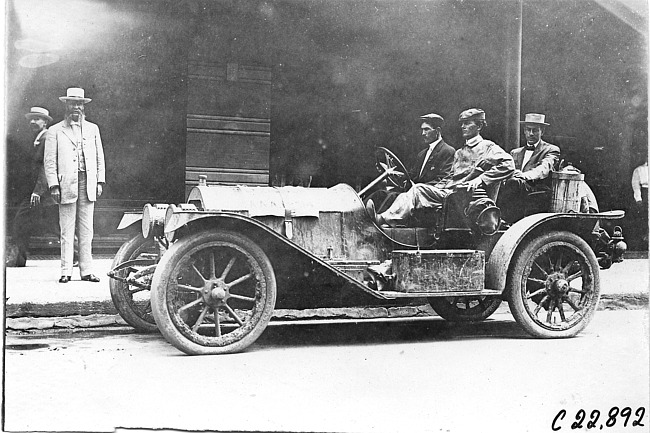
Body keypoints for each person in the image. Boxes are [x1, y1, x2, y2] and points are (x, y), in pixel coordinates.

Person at [370, 108, 514, 227]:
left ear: (479, 126)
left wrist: (481, 180)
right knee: (411, 192)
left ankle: (382, 220)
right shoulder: (459, 152)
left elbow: (509, 164)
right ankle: (390, 223)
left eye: (467, 123)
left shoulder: (487, 147)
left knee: (418, 190)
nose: (463, 126)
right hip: (450, 194)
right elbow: (450, 177)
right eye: (462, 123)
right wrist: (437, 187)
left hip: (464, 198)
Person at [44, 87, 106, 283]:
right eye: (72, 103)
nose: (76, 107)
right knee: (67, 229)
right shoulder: (55, 130)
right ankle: (66, 271)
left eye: (79, 104)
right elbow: (50, 161)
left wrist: (99, 181)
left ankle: (86, 271)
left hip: (87, 182)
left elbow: (99, 157)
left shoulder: (92, 129)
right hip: (66, 185)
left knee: (87, 230)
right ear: (66, 105)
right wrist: (54, 185)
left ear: (83, 106)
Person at [9, 107, 56, 266]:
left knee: (20, 223)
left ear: (45, 122)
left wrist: (37, 191)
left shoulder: (47, 137)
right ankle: (19, 260)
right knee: (49, 224)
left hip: (41, 192)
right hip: (35, 191)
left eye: (37, 118)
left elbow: (46, 166)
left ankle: (18, 260)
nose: (33, 121)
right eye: (31, 119)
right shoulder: (38, 138)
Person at [499, 113, 560, 222]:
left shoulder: (551, 150)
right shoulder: (515, 152)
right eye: (528, 130)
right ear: (524, 131)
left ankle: (509, 221)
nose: (531, 134)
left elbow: (544, 168)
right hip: (516, 189)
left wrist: (524, 175)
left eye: (535, 130)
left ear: (542, 131)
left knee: (513, 182)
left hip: (537, 191)